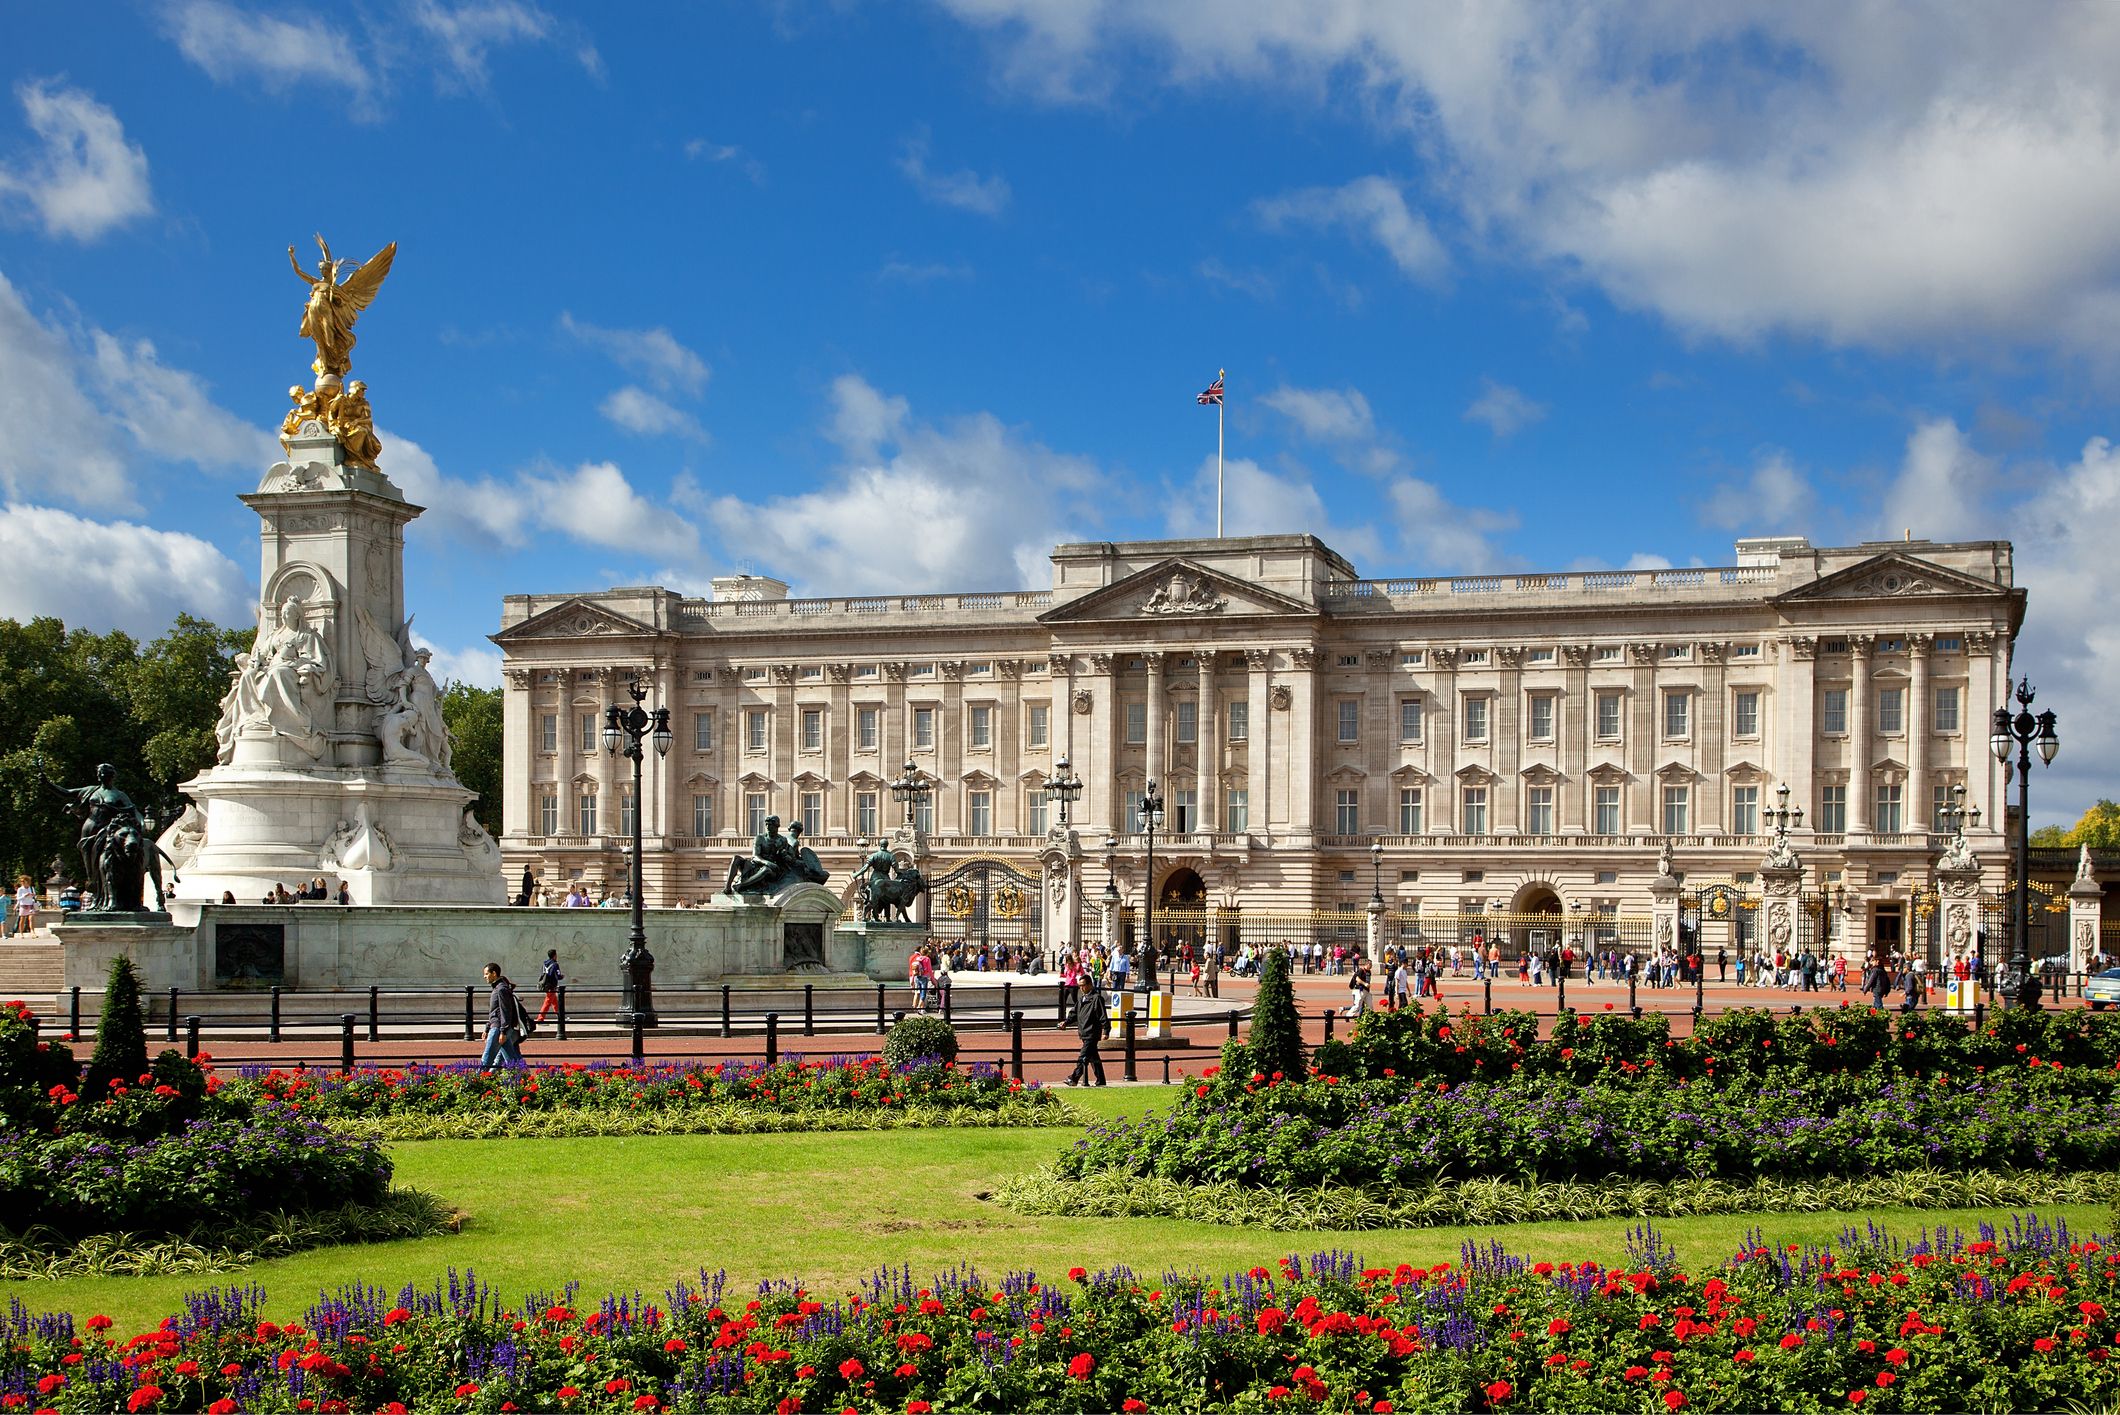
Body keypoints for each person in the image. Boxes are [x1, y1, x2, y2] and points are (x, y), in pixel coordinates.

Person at [478, 962, 527, 1068]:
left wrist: (503, 1031)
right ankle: (520, 1077)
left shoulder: (501, 989)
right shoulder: (499, 988)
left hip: (498, 1028)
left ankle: (476, 1081)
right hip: (498, 1026)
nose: (484, 976)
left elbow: (505, 1011)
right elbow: (495, 1011)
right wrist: (487, 1028)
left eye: (486, 974)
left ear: (494, 973)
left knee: (487, 1058)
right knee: (510, 1058)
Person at [1068, 980, 1109, 1086]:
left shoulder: (1096, 998)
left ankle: (1074, 1078)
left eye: (1083, 985)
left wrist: (1106, 1030)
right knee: (1093, 1056)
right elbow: (1074, 1013)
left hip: (1092, 1032)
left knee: (1083, 1056)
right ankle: (1101, 1080)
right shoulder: (1082, 999)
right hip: (1084, 1032)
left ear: (1090, 985)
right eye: (1080, 986)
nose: (1081, 988)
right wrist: (1066, 1022)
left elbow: (1102, 1015)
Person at [536, 948, 563, 1022]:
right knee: (547, 1002)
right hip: (552, 985)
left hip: (545, 985)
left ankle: (560, 1016)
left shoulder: (545, 964)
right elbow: (558, 976)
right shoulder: (555, 964)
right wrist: (561, 976)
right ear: (554, 955)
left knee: (555, 1002)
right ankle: (540, 1018)